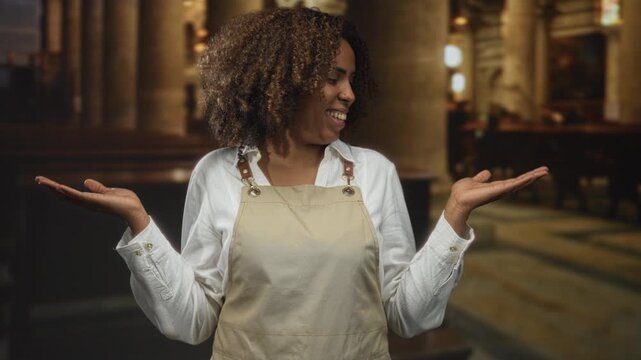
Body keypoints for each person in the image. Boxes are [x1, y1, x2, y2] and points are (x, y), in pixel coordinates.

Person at [36, 7, 548, 360]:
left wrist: (453, 221)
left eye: (351, 79)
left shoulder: (372, 173)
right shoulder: (216, 173)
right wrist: (141, 226)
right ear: (280, 77)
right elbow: (191, 321)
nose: (348, 93)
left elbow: (407, 316)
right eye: (332, 76)